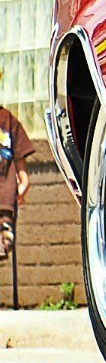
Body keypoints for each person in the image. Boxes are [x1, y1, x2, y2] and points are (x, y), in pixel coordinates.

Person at [0, 103, 31, 262]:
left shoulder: (7, 120)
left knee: (4, 243)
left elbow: (20, 161)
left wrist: (23, 183)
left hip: (4, 201)